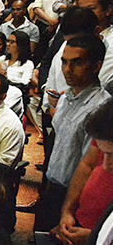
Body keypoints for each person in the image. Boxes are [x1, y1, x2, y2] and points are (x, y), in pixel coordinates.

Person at [37, 35, 111, 231]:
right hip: (52, 186)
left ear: (96, 66)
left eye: (76, 63)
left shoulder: (101, 109)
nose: (67, 70)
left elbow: (90, 166)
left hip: (73, 197)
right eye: (64, 62)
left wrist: (69, 209)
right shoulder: (65, 97)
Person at [49, 99, 113, 244]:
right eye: (105, 154)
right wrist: (67, 212)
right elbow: (87, 165)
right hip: (79, 222)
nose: (106, 166)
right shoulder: (107, 125)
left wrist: (97, 237)